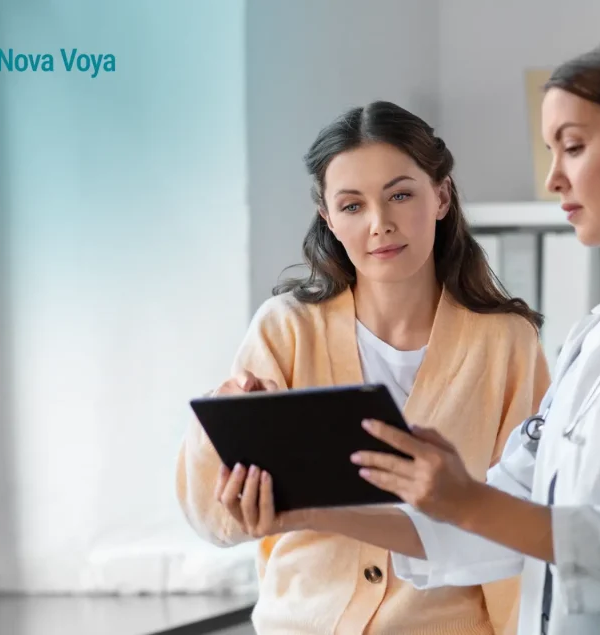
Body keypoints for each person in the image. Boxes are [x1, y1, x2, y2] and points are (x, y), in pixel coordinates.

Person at [239, 35, 600, 635]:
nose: (554, 179)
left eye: (574, 147)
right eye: (551, 152)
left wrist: (467, 500)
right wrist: (307, 510)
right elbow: (504, 517)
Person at [175, 100, 551, 635]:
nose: (380, 224)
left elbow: (522, 526)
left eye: (400, 195)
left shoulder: (507, 344)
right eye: (352, 206)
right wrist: (222, 434)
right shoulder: (285, 330)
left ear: (441, 195)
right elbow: (213, 520)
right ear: (327, 216)